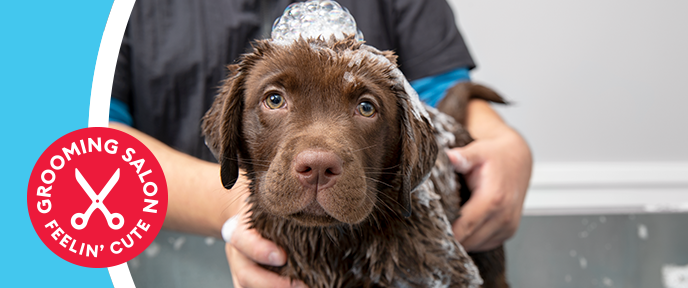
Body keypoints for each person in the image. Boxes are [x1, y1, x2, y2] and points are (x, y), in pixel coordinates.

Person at [109, 0, 532, 287]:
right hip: (164, 253)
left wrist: (503, 141)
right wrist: (233, 210)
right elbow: (90, 145)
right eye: (275, 99)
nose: (317, 158)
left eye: (365, 106)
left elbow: (438, 90)